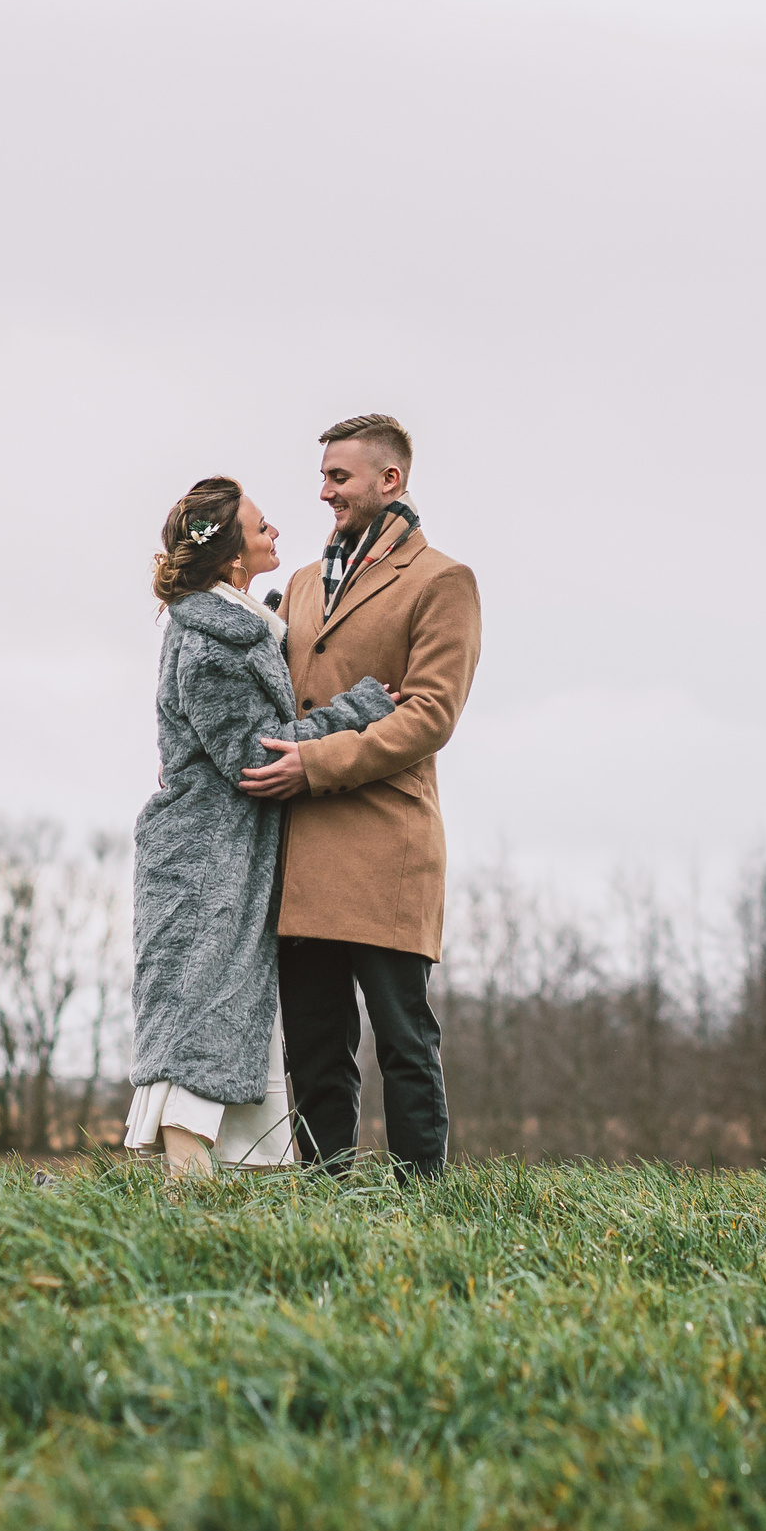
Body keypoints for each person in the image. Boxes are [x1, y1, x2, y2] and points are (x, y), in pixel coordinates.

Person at [125, 475, 394, 1178]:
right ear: (232, 552)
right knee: (199, 1007)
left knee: (228, 1006)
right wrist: (355, 708)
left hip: (230, 851)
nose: (276, 532)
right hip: (202, 856)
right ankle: (189, 1192)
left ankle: (219, 1188)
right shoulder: (211, 639)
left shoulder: (239, 621)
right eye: (262, 525)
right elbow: (252, 754)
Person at [240, 415, 481, 1179]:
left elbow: (430, 714)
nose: (324, 491)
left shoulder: (444, 581)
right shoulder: (302, 584)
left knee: (404, 1037)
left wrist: (315, 763)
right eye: (322, 477)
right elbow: (263, 695)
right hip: (302, 851)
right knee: (314, 1040)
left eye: (339, 477)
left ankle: (424, 1199)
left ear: (390, 479)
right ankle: (327, 1195)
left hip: (388, 846)